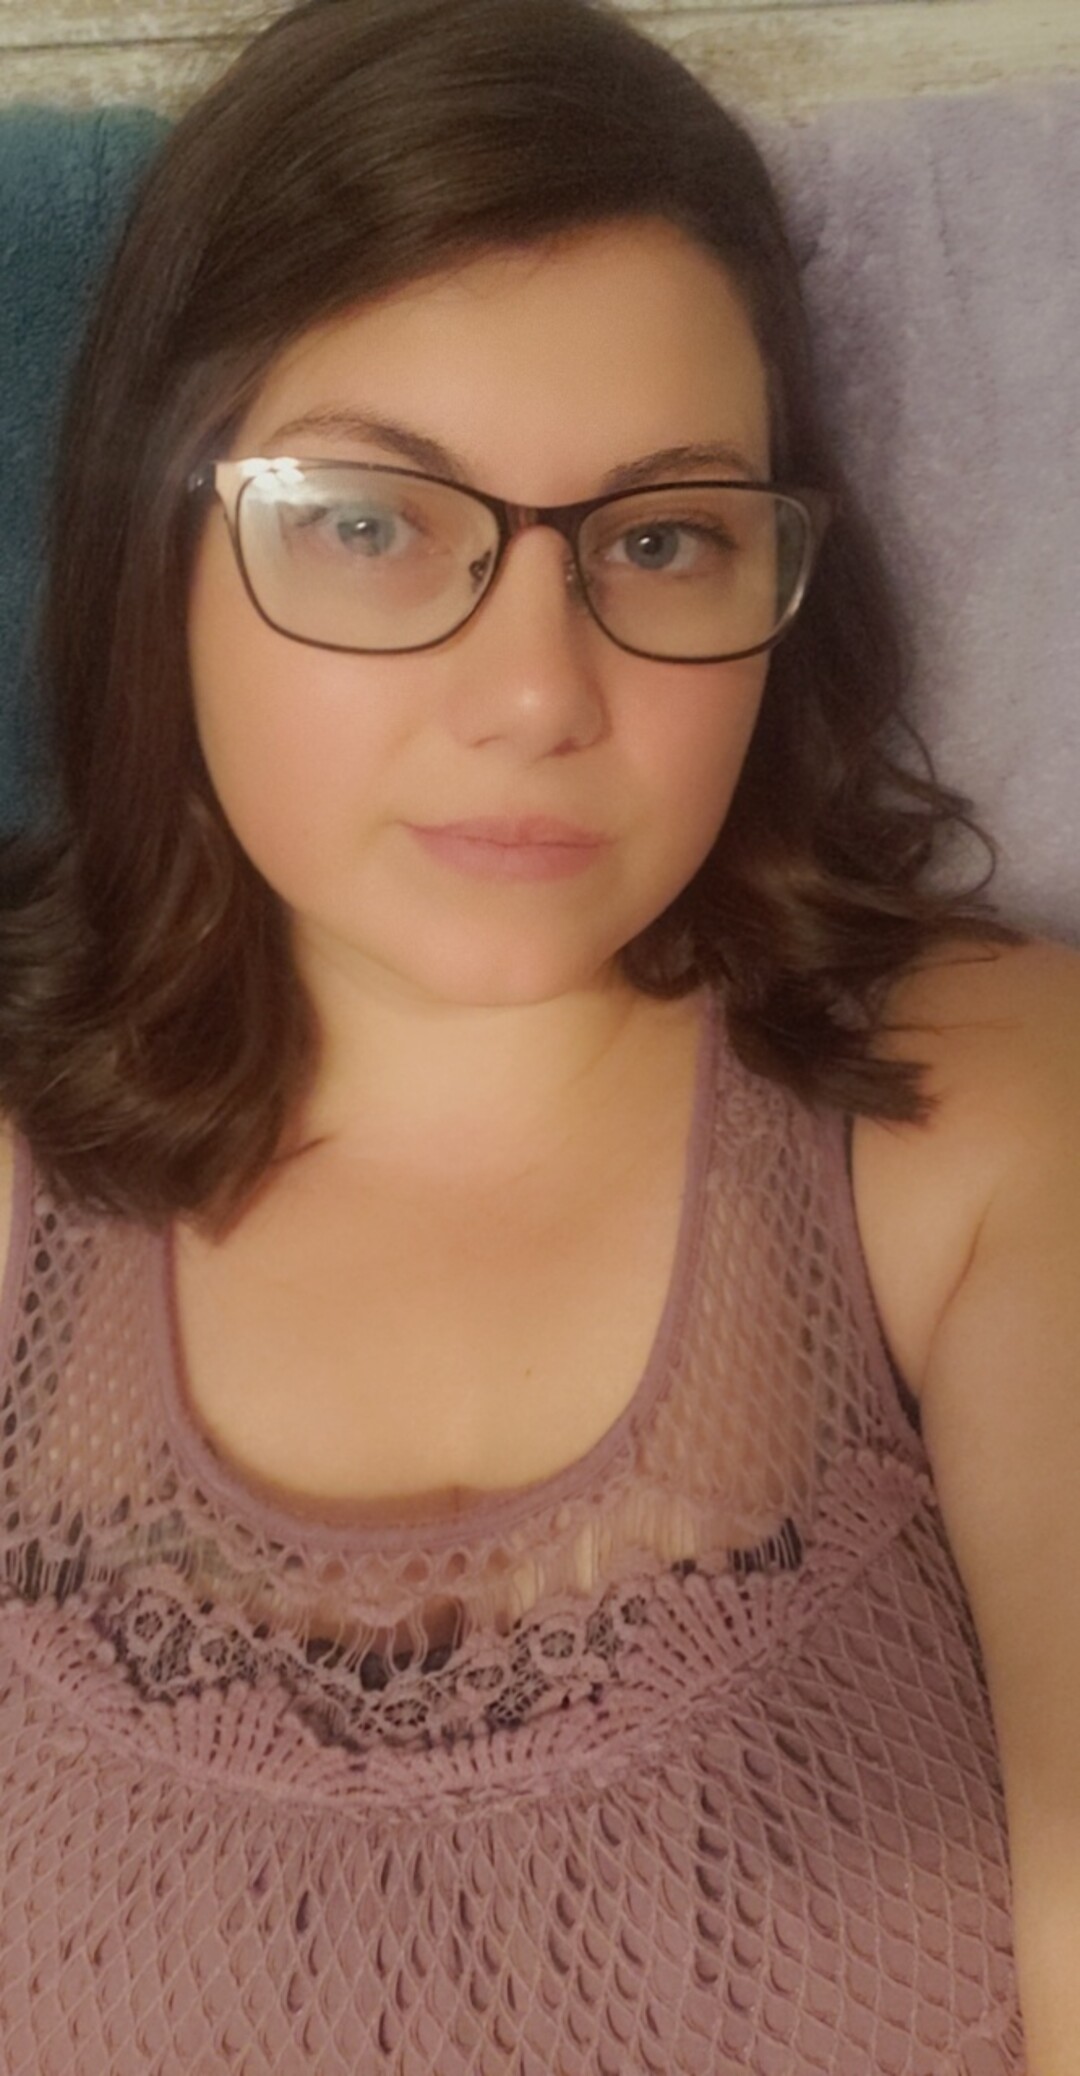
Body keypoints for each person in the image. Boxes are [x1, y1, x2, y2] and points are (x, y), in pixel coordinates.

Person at [0, 0, 1076, 2067]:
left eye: (661, 540)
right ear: (161, 547)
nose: (537, 696)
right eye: (370, 521)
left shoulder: (987, 1111)